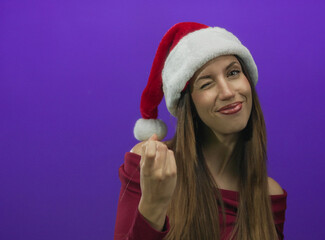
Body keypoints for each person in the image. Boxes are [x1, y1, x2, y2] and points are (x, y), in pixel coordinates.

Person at [114, 22, 287, 240]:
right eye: (206, 84)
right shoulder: (151, 164)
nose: (227, 92)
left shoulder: (269, 195)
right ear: (190, 107)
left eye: (233, 72)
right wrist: (153, 205)